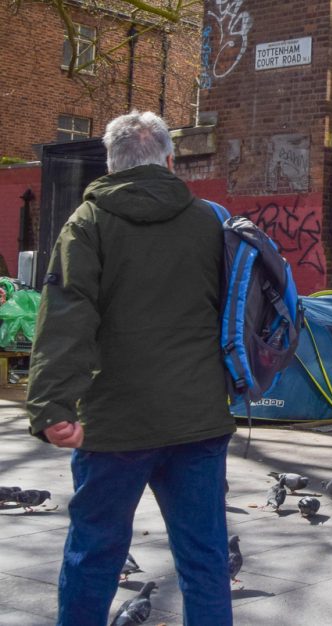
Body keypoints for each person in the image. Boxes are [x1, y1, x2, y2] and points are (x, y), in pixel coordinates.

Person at [25, 111, 235, 625]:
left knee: (95, 554)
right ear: (169, 160)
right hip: (198, 418)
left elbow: (67, 317)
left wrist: (51, 405)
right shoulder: (210, 221)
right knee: (206, 557)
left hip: (116, 421)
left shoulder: (89, 223)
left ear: (111, 163)